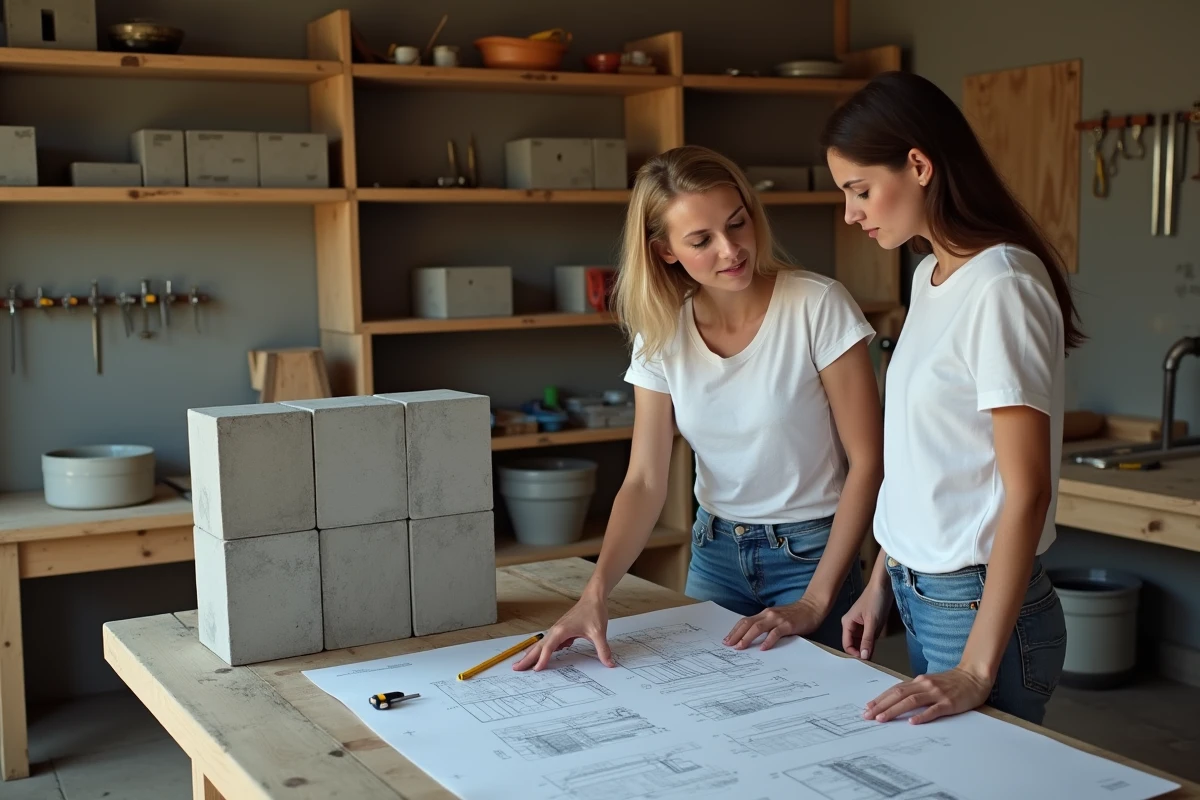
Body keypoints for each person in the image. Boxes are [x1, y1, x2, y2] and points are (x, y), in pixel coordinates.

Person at [513, 144, 884, 673]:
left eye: (737, 224)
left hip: (812, 554)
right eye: (701, 240)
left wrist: (816, 600)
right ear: (665, 251)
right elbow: (644, 480)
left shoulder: (818, 305)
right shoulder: (662, 330)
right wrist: (594, 594)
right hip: (715, 553)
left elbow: (869, 462)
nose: (731, 250)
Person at [823, 71, 1082, 726]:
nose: (851, 213)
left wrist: (975, 668)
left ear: (918, 166)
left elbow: (1028, 491)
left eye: (860, 190)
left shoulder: (1003, 285)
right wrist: (882, 583)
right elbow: (924, 461)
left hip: (977, 606)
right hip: (924, 594)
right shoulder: (930, 277)